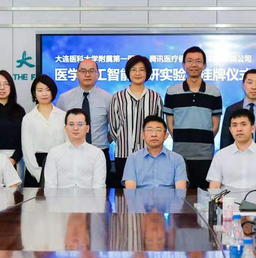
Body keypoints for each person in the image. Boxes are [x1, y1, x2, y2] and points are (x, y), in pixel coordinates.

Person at [164, 46, 222, 190]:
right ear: (184, 65)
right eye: (189, 61)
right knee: (180, 195)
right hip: (180, 154)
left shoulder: (214, 92)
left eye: (198, 61)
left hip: (205, 155)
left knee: (203, 194)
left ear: (204, 65)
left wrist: (203, 141)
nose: (194, 65)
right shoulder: (172, 92)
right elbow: (170, 123)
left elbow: (215, 125)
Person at [109, 55, 163, 186]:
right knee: (125, 192)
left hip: (149, 154)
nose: (137, 73)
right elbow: (113, 127)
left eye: (141, 70)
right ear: (128, 73)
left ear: (147, 73)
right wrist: (123, 140)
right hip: (123, 154)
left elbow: (160, 126)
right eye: (133, 70)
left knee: (148, 190)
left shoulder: (155, 97)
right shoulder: (118, 97)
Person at [56, 58, 113, 182]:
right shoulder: (64, 98)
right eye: (83, 71)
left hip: (100, 152)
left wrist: (104, 141)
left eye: (91, 71)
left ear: (98, 74)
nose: (87, 74)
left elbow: (114, 127)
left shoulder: (108, 98)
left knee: (101, 190)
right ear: (77, 74)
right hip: (71, 153)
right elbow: (60, 126)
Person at [208, 109, 256, 201]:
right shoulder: (220, 155)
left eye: (243, 124)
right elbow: (214, 189)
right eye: (234, 125)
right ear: (230, 130)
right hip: (228, 206)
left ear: (252, 128)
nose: (239, 129)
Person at [21, 74, 66, 186]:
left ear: (53, 92)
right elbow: (27, 149)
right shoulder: (28, 118)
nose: (44, 94)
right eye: (40, 90)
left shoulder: (63, 116)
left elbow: (67, 143)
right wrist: (38, 174)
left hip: (60, 166)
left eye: (47, 90)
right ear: (34, 93)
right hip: (36, 166)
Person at [44, 108, 106, 189]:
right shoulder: (54, 153)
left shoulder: (97, 153)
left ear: (87, 128)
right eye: (71, 124)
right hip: (61, 197)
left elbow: (99, 185)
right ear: (65, 128)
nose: (75, 128)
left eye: (80, 124)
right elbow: (50, 186)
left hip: (88, 197)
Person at [122, 115, 188, 189]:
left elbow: (180, 191)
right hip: (141, 196)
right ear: (143, 135)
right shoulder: (132, 159)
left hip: (168, 196)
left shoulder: (177, 159)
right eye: (149, 130)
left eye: (158, 130)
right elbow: (130, 191)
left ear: (166, 135)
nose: (154, 135)